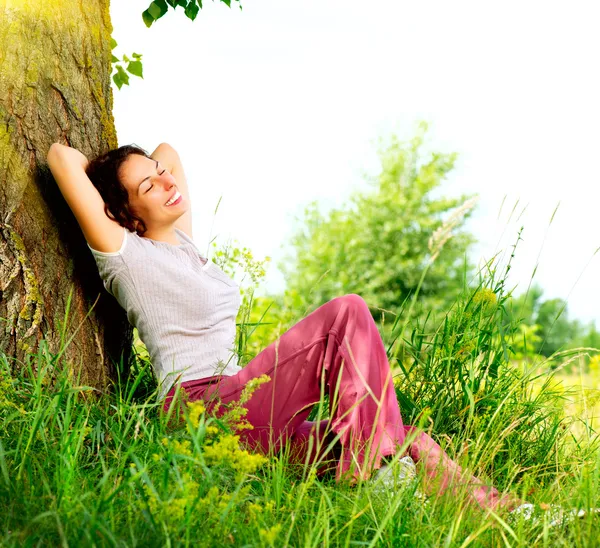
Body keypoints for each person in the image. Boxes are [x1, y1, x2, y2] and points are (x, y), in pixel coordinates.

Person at [47, 141, 520, 512]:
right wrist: (112, 183)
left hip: (242, 404)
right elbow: (62, 159)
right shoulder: (128, 258)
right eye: (148, 187)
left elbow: (169, 151)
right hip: (198, 409)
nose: (165, 180)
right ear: (125, 215)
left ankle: (513, 515)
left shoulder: (183, 244)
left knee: (409, 441)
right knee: (346, 313)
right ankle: (369, 473)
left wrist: (144, 173)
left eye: (159, 173)